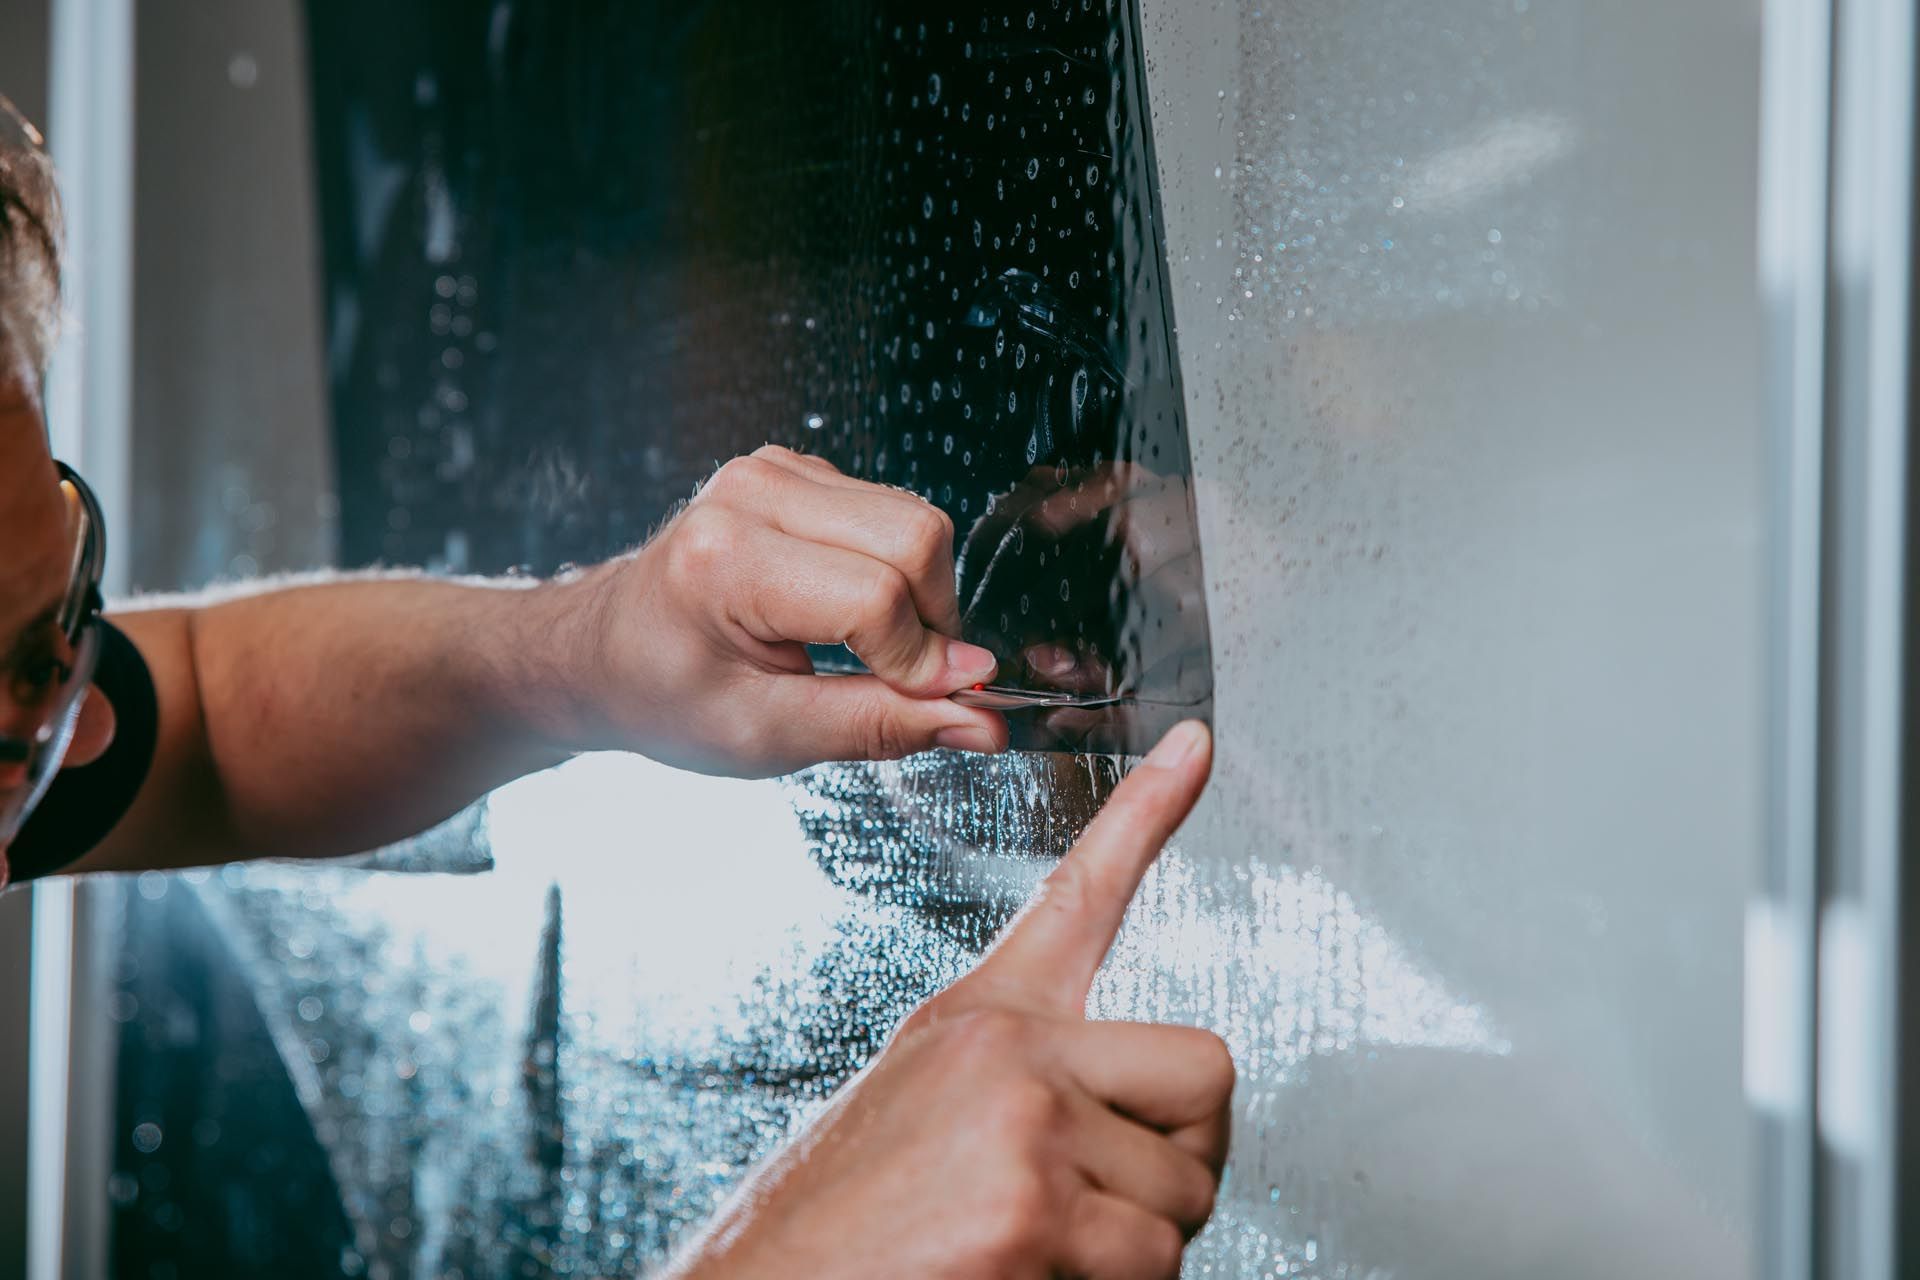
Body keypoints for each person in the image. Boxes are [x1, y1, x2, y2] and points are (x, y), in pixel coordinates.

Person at [0, 101, 1233, 1276]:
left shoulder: (75, 732)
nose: (89, 724)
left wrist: (590, 646)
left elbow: (205, 717)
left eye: (55, 635)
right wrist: (803, 1250)